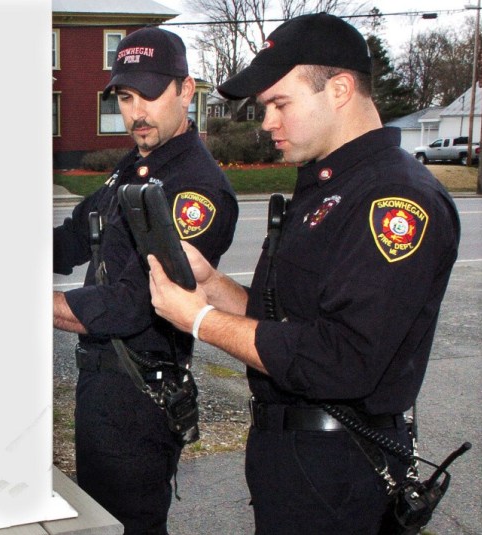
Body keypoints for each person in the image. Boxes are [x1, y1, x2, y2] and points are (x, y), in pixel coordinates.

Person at [147, 13, 461, 535]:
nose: (266, 122)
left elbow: (342, 359)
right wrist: (212, 287)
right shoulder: (327, 185)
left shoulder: (394, 200)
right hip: (295, 461)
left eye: (280, 104)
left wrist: (199, 321)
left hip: (340, 470)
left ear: (338, 90)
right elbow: (288, 318)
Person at [53, 27, 238, 534]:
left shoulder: (193, 190)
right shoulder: (135, 168)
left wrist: (17, 301)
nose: (136, 112)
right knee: (101, 519)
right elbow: (73, 237)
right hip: (104, 384)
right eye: (126, 96)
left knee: (127, 524)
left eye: (151, 95)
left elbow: (134, 303)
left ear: (186, 90)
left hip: (139, 394)